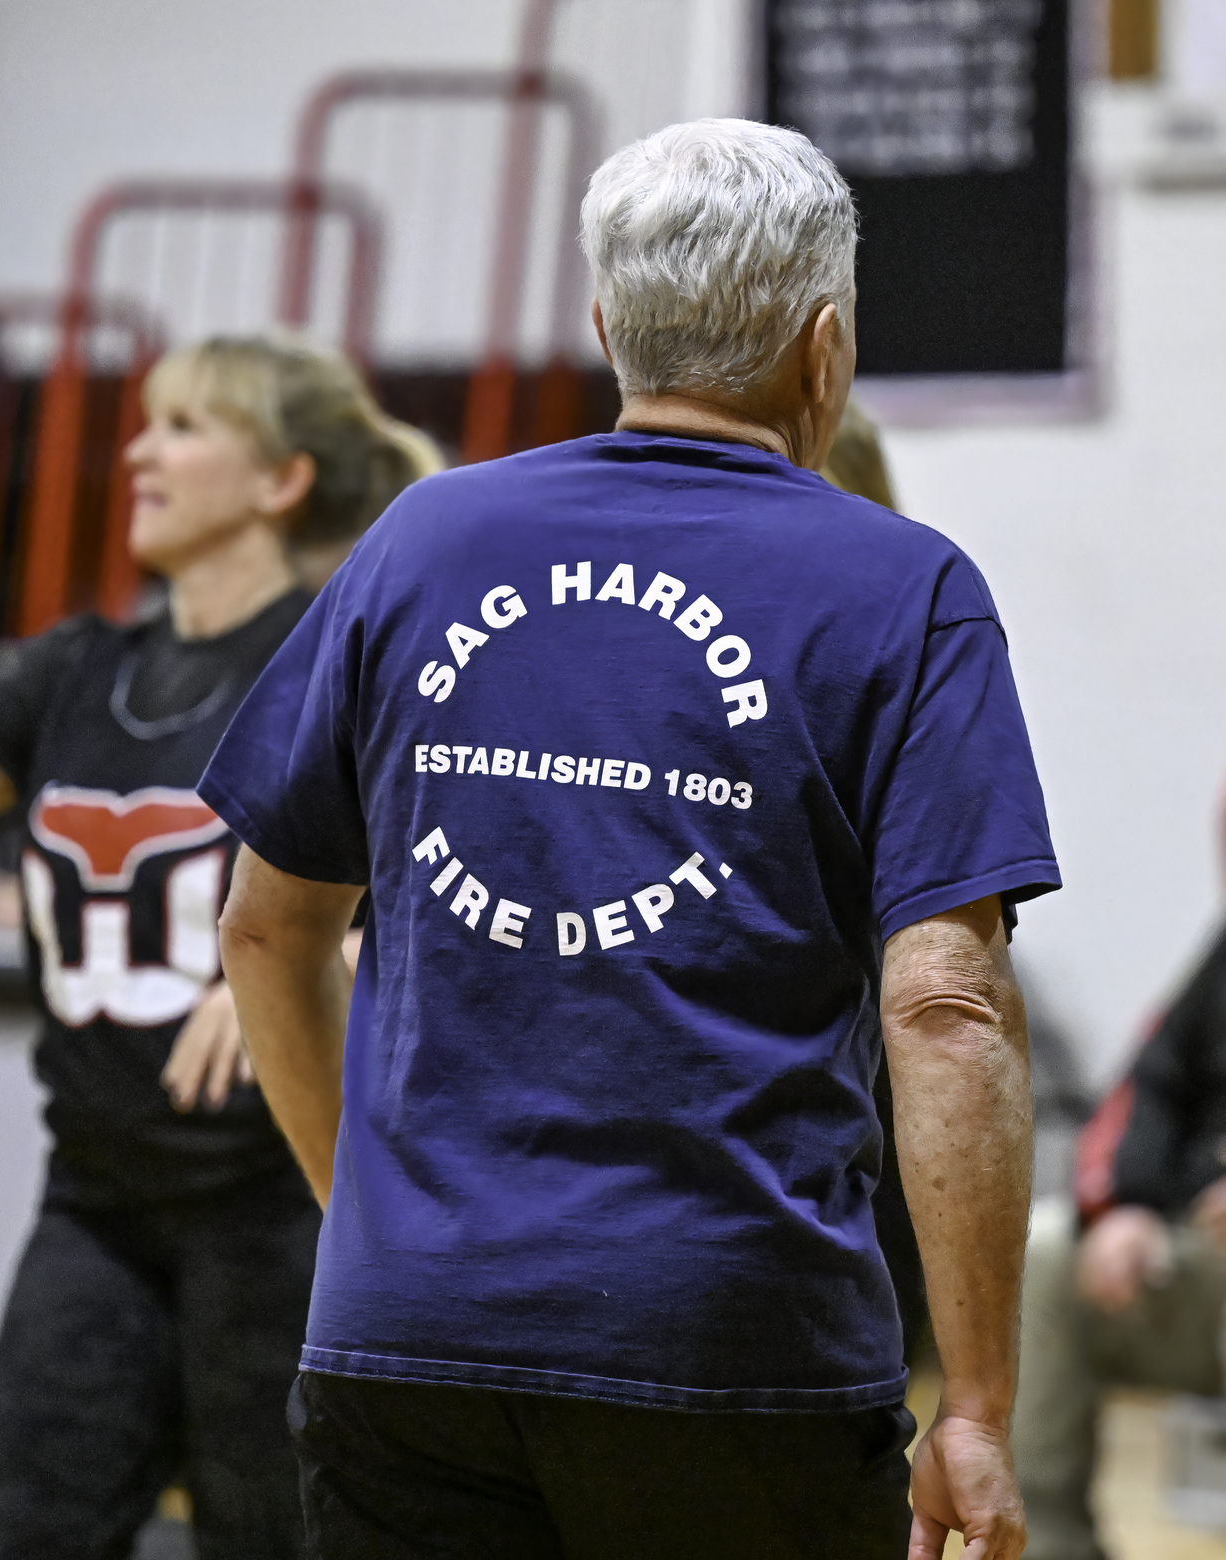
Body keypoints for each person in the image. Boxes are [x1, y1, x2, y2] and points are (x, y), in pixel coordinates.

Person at [196, 119, 1058, 1560]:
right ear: (824, 349)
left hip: (406, 1346)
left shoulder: (425, 542)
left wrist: (387, 1224)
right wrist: (973, 1403)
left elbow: (265, 929)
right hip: (733, 1357)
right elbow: (948, 1006)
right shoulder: (907, 589)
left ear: (609, 329)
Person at [0, 335, 437, 1560]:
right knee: (28, 1529)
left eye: (186, 427)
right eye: (144, 424)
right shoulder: (78, 670)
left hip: (280, 1208)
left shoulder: (337, 656)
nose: (138, 450)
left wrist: (307, 948)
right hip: (94, 1202)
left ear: (280, 480)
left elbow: (465, 861)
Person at [1013, 919, 1226, 1560]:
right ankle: (1052, 1546)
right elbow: (1151, 1084)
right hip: (1200, 1256)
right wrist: (1126, 1208)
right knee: (1049, 1254)